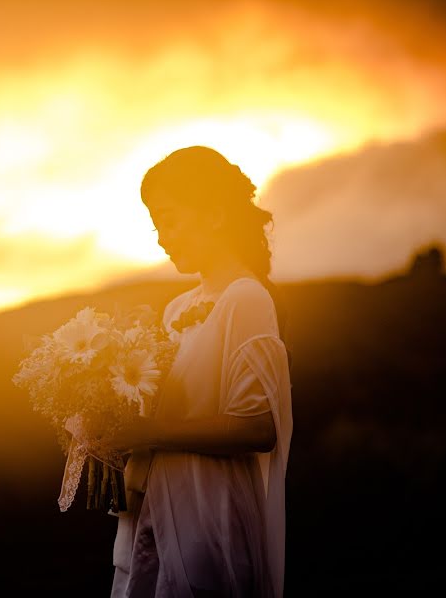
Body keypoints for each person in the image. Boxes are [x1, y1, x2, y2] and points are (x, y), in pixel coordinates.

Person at [106, 147, 293, 597]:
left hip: (211, 512)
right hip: (157, 506)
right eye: (155, 224)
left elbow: (257, 427)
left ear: (213, 216)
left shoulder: (247, 300)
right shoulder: (176, 310)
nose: (161, 238)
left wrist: (150, 431)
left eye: (169, 220)